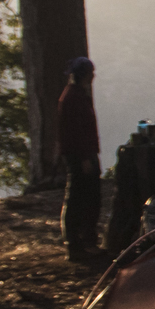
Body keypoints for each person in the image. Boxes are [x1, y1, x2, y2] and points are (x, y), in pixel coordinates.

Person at [59, 57, 101, 259]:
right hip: (81, 155)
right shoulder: (74, 99)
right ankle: (77, 243)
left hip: (83, 153)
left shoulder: (75, 95)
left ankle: (83, 241)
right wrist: (85, 157)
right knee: (80, 197)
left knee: (86, 196)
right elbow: (76, 131)